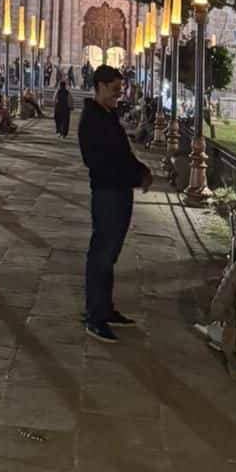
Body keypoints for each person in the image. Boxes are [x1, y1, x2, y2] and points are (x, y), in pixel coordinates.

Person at [78, 64, 152, 342]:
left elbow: (123, 152)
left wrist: (141, 170)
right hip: (108, 193)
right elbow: (99, 162)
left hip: (120, 192)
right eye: (114, 90)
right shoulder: (92, 120)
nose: (119, 95)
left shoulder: (107, 116)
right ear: (98, 87)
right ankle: (94, 316)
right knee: (101, 253)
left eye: (120, 90)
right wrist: (133, 175)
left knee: (111, 254)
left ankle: (105, 308)